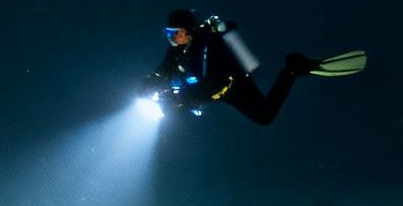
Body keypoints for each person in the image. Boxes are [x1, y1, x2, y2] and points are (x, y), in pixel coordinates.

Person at [145, 8, 365, 125]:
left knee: (265, 116)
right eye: (168, 33)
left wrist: (180, 97)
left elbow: (213, 83)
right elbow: (163, 70)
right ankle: (293, 69)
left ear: (186, 30)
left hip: (232, 86)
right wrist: (148, 84)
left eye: (173, 33)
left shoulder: (207, 43)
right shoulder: (175, 50)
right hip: (215, 94)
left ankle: (292, 70)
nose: (171, 38)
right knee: (264, 117)